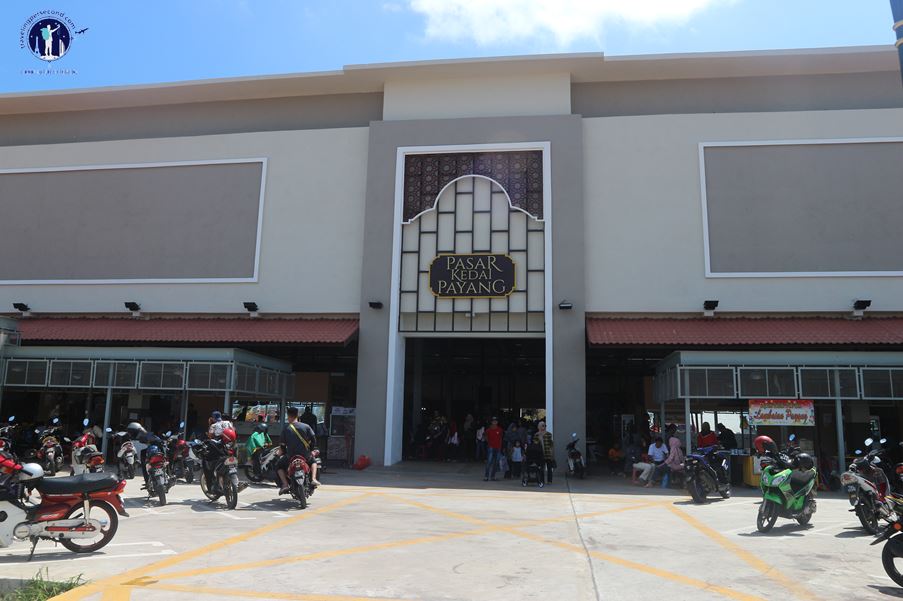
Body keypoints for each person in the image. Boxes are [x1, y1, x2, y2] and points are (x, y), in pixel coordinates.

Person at [276, 407, 319, 494]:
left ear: (288, 416)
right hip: (305, 455)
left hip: (291, 456)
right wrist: (311, 450)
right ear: (298, 415)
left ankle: (285, 484)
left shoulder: (286, 429)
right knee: (314, 462)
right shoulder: (306, 426)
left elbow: (282, 445)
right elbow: (313, 440)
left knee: (279, 466)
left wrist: (283, 453)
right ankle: (313, 479)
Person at [483, 417, 503, 481]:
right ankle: (486, 476)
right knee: (489, 462)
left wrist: (500, 446)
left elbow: (501, 438)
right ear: (491, 422)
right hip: (491, 447)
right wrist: (489, 443)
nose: (494, 422)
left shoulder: (500, 429)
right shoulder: (488, 430)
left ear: (497, 422)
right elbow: (485, 436)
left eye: (496, 421)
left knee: (496, 463)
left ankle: (493, 476)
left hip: (498, 448)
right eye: (493, 421)